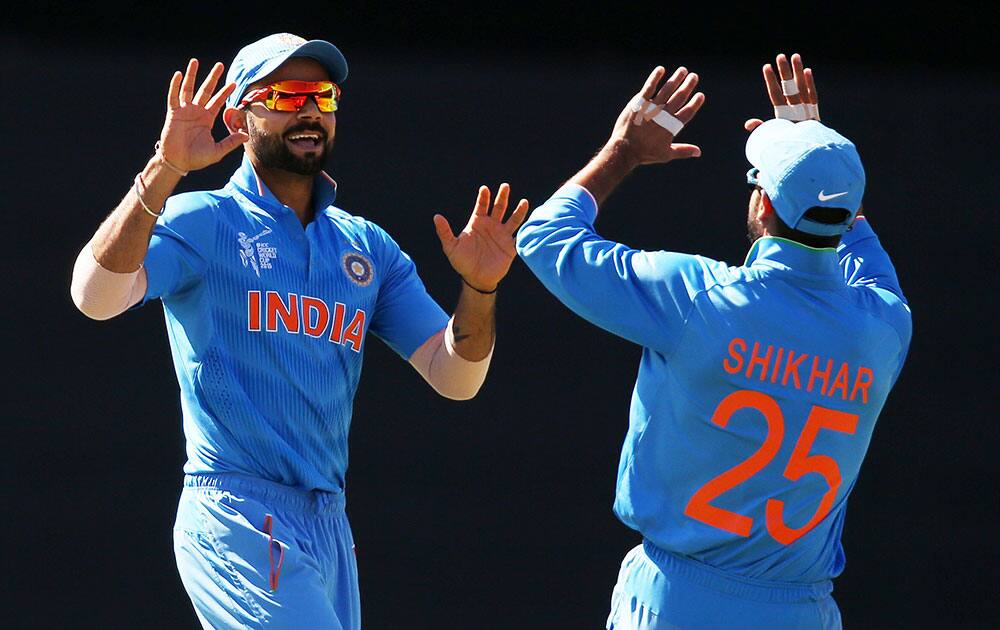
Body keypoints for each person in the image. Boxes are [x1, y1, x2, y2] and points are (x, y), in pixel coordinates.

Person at [70, 33, 528, 629]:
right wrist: (164, 171)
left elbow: (456, 377)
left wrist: (481, 289)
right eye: (286, 94)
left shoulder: (367, 248)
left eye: (323, 96)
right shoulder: (205, 219)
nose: (309, 109)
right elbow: (94, 297)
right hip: (237, 509)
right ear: (238, 117)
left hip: (328, 522)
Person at [516, 54, 911, 628]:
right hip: (802, 612)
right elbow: (852, 239)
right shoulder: (883, 329)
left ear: (763, 203)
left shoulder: (699, 298)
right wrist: (825, 171)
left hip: (678, 601)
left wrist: (623, 152)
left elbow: (545, 239)